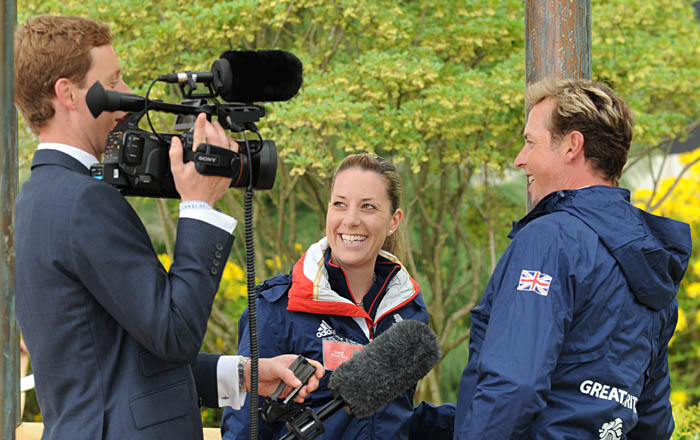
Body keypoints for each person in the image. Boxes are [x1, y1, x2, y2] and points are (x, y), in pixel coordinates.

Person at [13, 15, 322, 440]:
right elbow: (174, 334)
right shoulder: (84, 200)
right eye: (114, 81)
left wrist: (245, 374)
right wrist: (199, 204)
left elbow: (121, 363)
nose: (127, 95)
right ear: (67, 93)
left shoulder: (36, 198)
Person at [454, 78, 692, 439]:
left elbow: (514, 388)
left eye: (530, 142)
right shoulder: (651, 258)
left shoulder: (550, 238)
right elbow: (652, 418)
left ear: (571, 145)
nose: (520, 159)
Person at [221, 153, 455, 439]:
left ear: (394, 221)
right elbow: (244, 430)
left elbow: (396, 418)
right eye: (340, 204)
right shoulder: (277, 308)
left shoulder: (409, 309)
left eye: (368, 207)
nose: (351, 220)